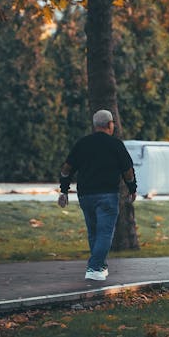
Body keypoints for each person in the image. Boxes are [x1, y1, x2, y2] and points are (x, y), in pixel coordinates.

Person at [58, 109, 137, 281]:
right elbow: (128, 171)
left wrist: (64, 190)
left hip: (85, 195)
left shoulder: (82, 144)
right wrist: (132, 188)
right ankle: (94, 267)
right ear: (110, 125)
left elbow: (66, 169)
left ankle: (100, 266)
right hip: (107, 195)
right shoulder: (116, 144)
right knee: (105, 233)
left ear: (95, 126)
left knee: (93, 232)